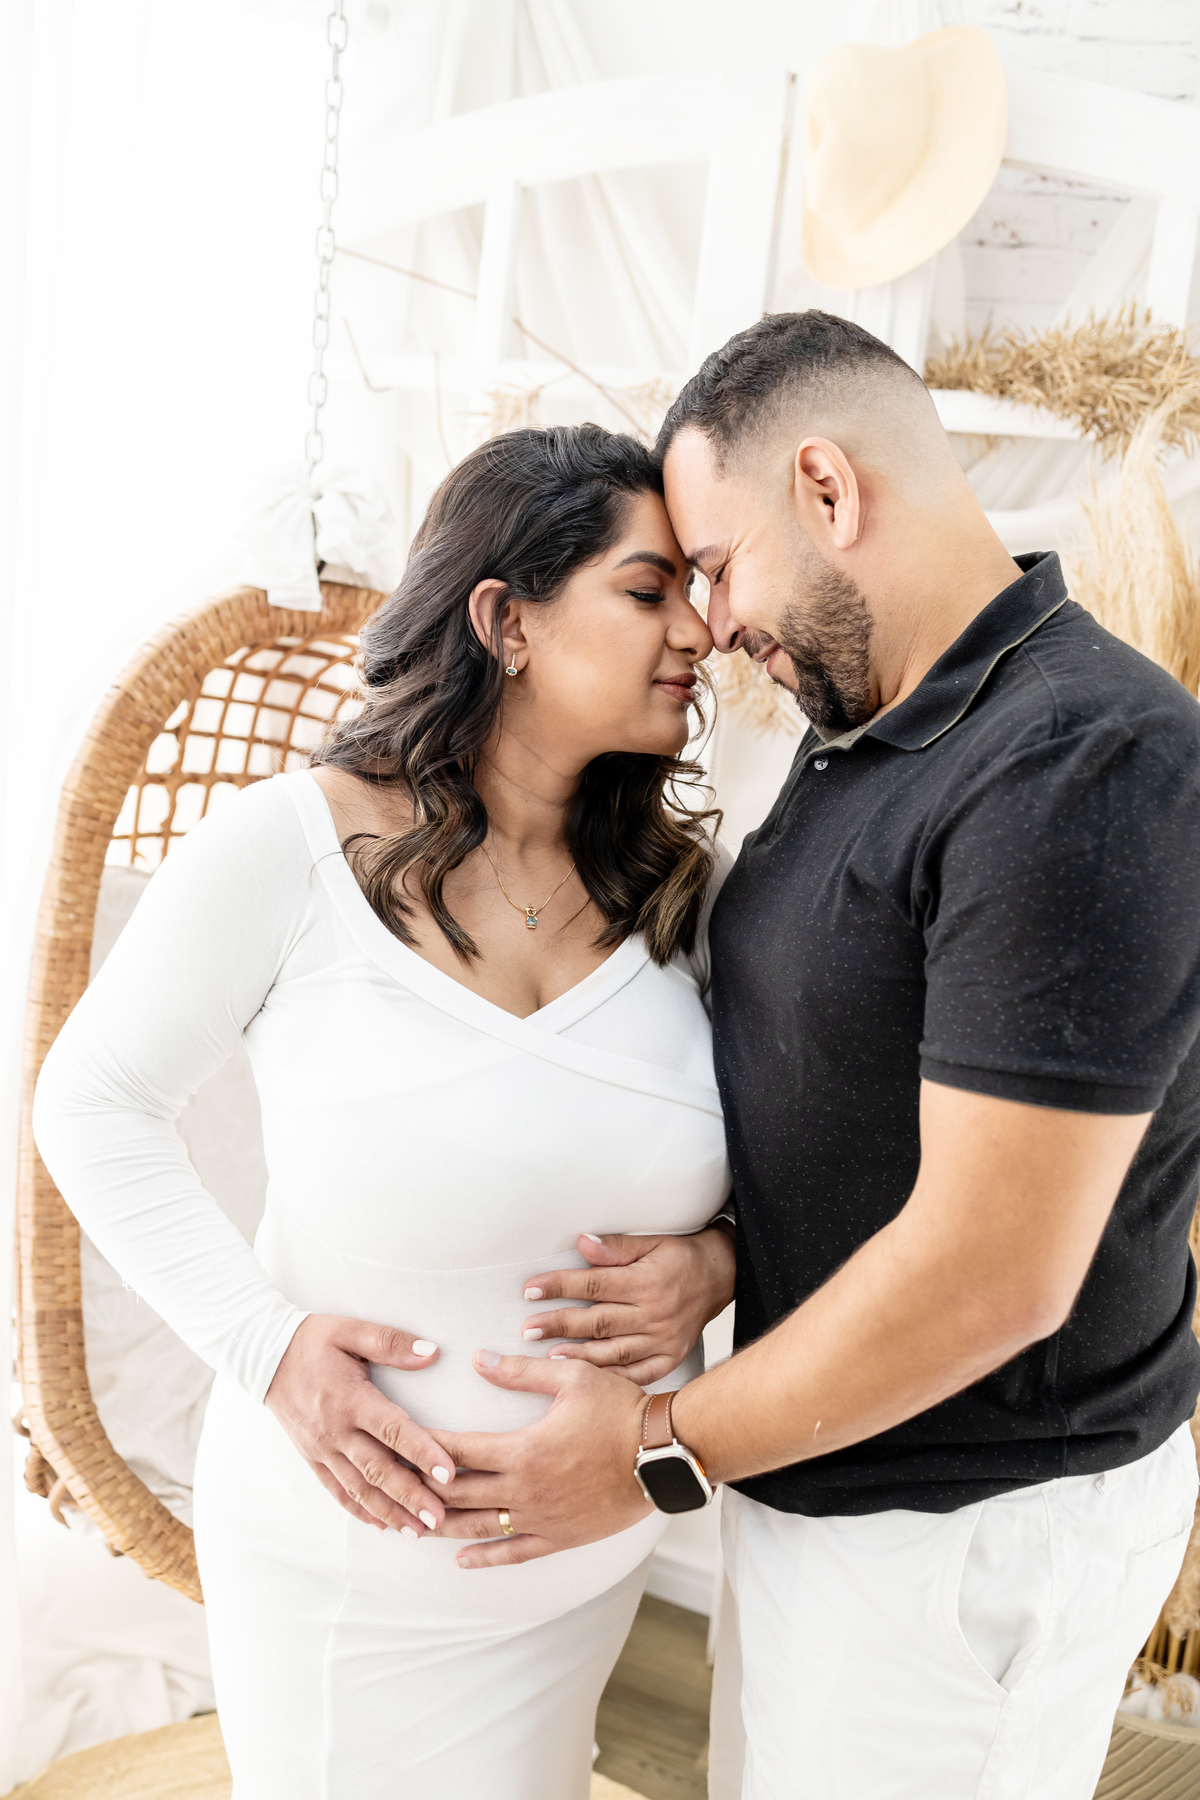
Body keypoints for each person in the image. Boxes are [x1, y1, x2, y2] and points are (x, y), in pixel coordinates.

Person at [423, 313, 1200, 1800]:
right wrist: (724, 1257)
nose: (710, 625)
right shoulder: (872, 729)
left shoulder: (1083, 761)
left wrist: (653, 1448)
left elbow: (993, 1273)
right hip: (825, 1486)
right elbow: (854, 1096)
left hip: (966, 1530)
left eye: (717, 567)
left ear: (829, 489)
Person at [32, 423, 739, 1800]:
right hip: (341, 1584)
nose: (699, 631)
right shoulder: (293, 849)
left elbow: (791, 1162)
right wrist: (267, 1348)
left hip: (584, 1570)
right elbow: (91, 1101)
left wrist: (717, 1263)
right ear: (507, 620)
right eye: (650, 590)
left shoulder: (684, 896)